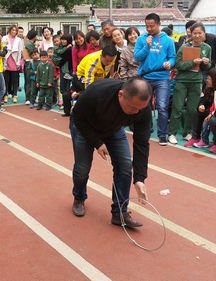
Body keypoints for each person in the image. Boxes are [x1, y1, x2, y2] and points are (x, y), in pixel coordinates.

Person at [69, 78, 152, 229]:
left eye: (140, 109)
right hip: (84, 126)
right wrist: (97, 143)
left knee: (125, 166)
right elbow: (78, 118)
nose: (136, 112)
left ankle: (120, 212)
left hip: (113, 129)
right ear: (121, 95)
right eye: (133, 108)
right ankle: (79, 198)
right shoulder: (97, 93)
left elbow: (142, 143)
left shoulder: (143, 109)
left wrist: (140, 178)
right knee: (82, 167)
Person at [134, 13, 176, 146]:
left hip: (162, 77)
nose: (149, 29)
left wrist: (170, 63)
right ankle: (147, 129)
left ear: (159, 24)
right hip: (145, 77)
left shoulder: (168, 40)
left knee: (162, 107)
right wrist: (147, 46)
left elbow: (172, 57)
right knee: (144, 106)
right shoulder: (141, 39)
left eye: (152, 26)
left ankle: (162, 134)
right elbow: (137, 58)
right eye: (147, 26)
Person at [168, 23, 212, 145]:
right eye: (195, 33)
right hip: (182, 81)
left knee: (191, 109)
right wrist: (193, 62)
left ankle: (187, 132)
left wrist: (206, 62)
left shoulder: (207, 48)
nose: (197, 35)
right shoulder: (184, 48)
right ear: (190, 34)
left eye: (200, 33)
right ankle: (172, 133)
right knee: (177, 108)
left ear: (204, 33)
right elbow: (178, 65)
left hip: (196, 81)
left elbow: (208, 67)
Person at [62, 46, 117, 116]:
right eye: (107, 61)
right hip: (82, 76)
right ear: (101, 56)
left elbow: (113, 64)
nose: (109, 62)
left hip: (99, 76)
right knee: (89, 93)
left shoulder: (112, 57)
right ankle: (80, 111)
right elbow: (89, 84)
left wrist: (111, 76)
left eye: (111, 60)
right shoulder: (92, 62)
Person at [191, 67, 216, 148]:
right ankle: (195, 137)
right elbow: (203, 101)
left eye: (209, 79)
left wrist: (212, 113)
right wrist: (201, 106)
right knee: (197, 112)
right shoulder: (209, 89)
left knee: (211, 120)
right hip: (211, 112)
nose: (207, 80)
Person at [2, 25, 23, 104]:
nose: (14, 32)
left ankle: (15, 95)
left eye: (15, 30)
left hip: (14, 61)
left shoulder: (18, 40)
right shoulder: (4, 38)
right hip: (6, 60)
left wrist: (18, 63)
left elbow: (19, 52)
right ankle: (5, 95)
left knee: (15, 80)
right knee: (6, 80)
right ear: (10, 30)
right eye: (13, 30)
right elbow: (2, 48)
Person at [24, 30, 39, 105]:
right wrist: (36, 48)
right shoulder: (29, 44)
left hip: (33, 63)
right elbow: (32, 53)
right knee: (29, 82)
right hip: (29, 63)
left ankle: (34, 97)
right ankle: (28, 98)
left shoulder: (33, 43)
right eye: (36, 35)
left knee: (34, 82)